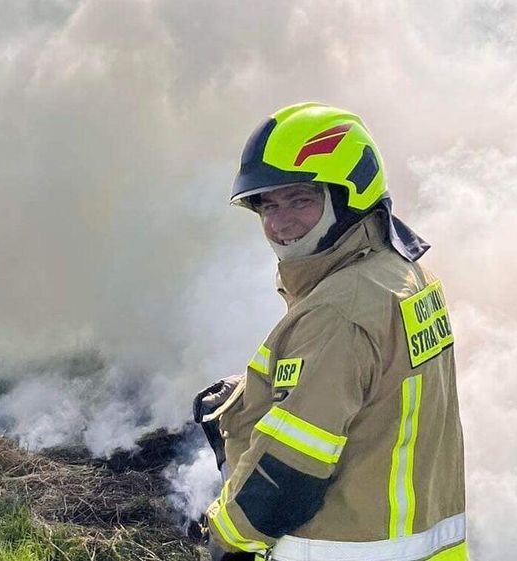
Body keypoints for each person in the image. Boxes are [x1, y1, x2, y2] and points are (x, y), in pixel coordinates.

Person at [197, 103, 466, 561]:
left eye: (301, 199)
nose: (280, 224)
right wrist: (248, 396)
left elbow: (289, 474)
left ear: (349, 194)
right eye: (268, 205)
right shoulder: (400, 272)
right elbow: (372, 388)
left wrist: (224, 537)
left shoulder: (340, 310)